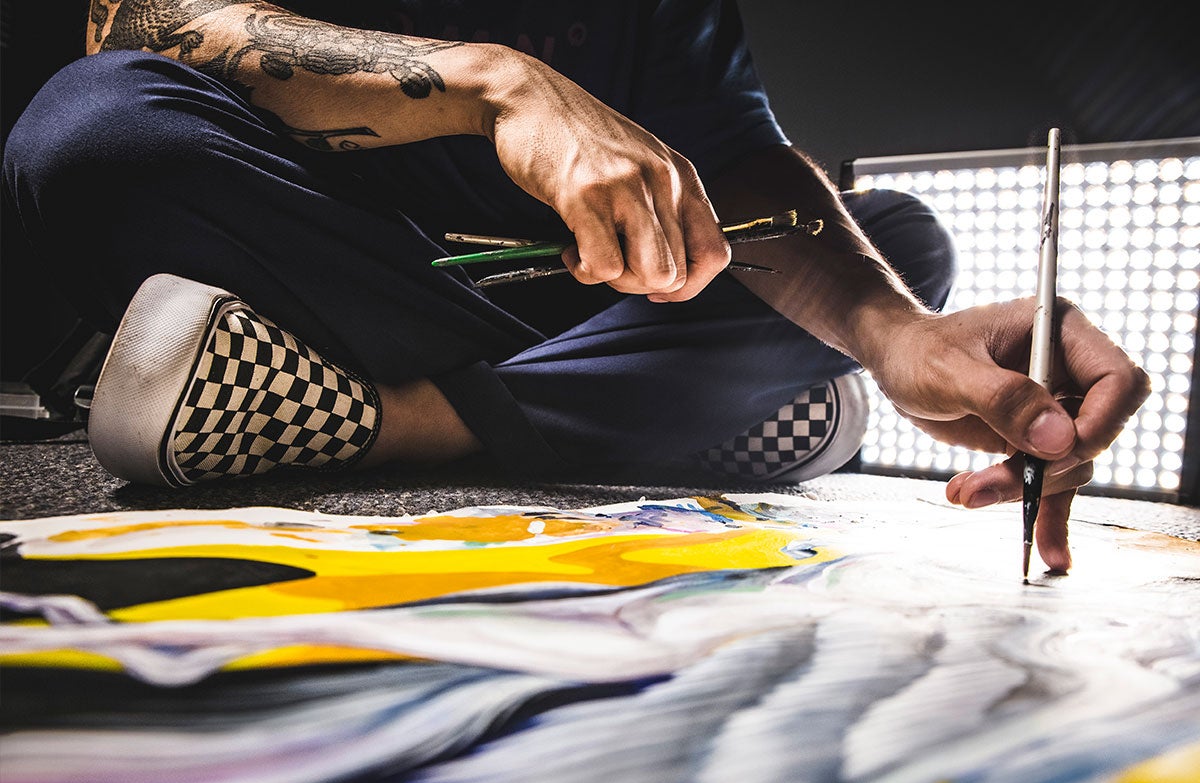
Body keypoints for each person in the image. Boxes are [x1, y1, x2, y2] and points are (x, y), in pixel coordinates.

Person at [3, 0, 1148, 573]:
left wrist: (893, 331)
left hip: (567, 299)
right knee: (96, 133)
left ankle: (388, 422)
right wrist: (498, 87)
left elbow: (747, 181)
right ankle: (660, 415)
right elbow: (132, 26)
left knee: (896, 237)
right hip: (320, 267)